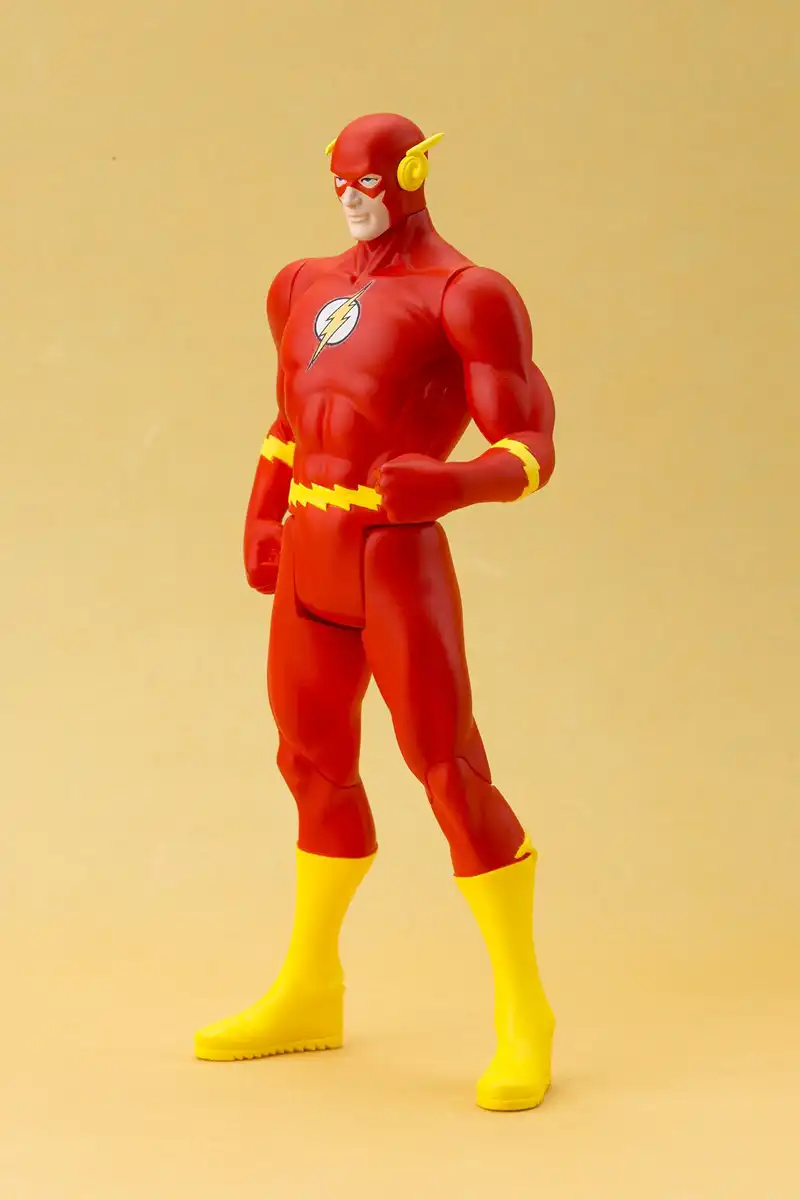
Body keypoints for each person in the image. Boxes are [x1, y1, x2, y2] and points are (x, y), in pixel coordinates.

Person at [194, 112, 558, 1113]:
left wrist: (454, 484)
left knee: (448, 771)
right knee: (308, 764)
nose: (353, 201)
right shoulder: (301, 285)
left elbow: (529, 443)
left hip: (394, 555)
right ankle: (311, 987)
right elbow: (289, 418)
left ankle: (524, 1011)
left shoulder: (465, 294)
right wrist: (262, 510)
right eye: (341, 184)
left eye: (370, 183)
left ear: (412, 174)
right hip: (312, 551)